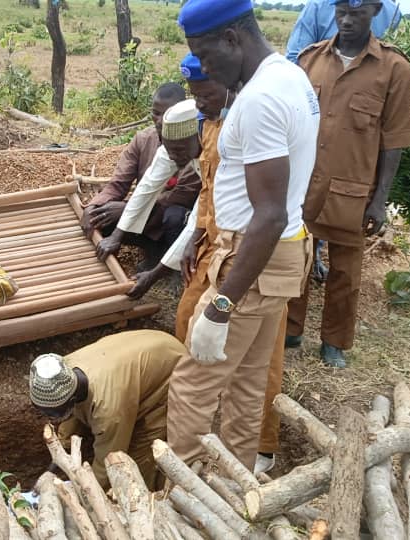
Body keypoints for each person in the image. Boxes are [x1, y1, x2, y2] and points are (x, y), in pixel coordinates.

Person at [168, 0, 317, 470]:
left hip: (251, 259)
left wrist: (221, 305)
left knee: (191, 387)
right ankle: (235, 487)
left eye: (206, 56)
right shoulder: (289, 77)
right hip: (280, 257)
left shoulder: (259, 100)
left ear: (232, 38)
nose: (205, 69)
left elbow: (268, 214)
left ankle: (179, 495)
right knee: (248, 385)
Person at [166, 54, 282, 474]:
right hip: (216, 247)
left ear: (226, 79)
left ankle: (251, 452)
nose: (198, 102)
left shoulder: (254, 120)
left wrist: (225, 300)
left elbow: (275, 207)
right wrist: (195, 233)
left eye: (204, 93)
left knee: (245, 369)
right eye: (194, 94)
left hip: (249, 253)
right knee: (190, 324)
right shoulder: (211, 121)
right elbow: (209, 191)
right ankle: (231, 463)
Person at [286, 0, 410, 368]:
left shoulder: (394, 69)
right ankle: (291, 329)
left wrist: (380, 200)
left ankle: (334, 342)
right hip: (305, 186)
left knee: (346, 272)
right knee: (296, 259)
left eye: (356, 14)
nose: (346, 20)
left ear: (375, 11)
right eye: (341, 11)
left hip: (353, 191)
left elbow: (395, 139)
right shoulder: (310, 60)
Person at [28, 330, 185, 490]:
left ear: (71, 400)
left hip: (173, 370)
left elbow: (108, 463)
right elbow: (72, 413)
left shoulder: (108, 410)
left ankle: (152, 495)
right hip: (148, 345)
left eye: (51, 412)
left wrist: (86, 493)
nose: (47, 416)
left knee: (137, 457)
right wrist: (59, 455)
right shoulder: (64, 367)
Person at [81, 83, 198, 269]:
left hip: (171, 217)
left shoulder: (194, 147)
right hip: (146, 214)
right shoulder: (144, 140)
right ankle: (151, 251)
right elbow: (126, 184)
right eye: (156, 113)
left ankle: (170, 263)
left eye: (166, 114)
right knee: (103, 215)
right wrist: (95, 207)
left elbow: (180, 198)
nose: (160, 121)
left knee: (175, 216)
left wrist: (126, 209)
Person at [116, 99, 205, 300]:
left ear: (198, 137)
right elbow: (147, 187)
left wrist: (154, 275)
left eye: (178, 151)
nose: (173, 157)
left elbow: (200, 216)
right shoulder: (176, 145)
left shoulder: (216, 155)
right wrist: (117, 235)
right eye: (169, 150)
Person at [285, 0, 401, 63]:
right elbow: (297, 58)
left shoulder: (317, 5)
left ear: (376, 10)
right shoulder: (392, 10)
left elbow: (294, 59)